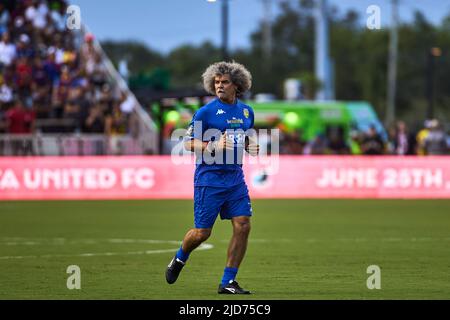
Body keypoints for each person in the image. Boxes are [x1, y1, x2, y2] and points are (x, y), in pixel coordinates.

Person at [165, 61, 259, 294]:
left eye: (224, 82)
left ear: (236, 85)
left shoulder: (247, 111)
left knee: (243, 225)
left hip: (235, 178)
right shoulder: (206, 112)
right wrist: (213, 144)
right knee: (202, 233)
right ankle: (180, 258)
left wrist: (250, 145)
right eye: (216, 82)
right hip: (210, 178)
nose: (219, 86)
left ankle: (228, 281)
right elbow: (187, 142)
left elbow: (243, 138)